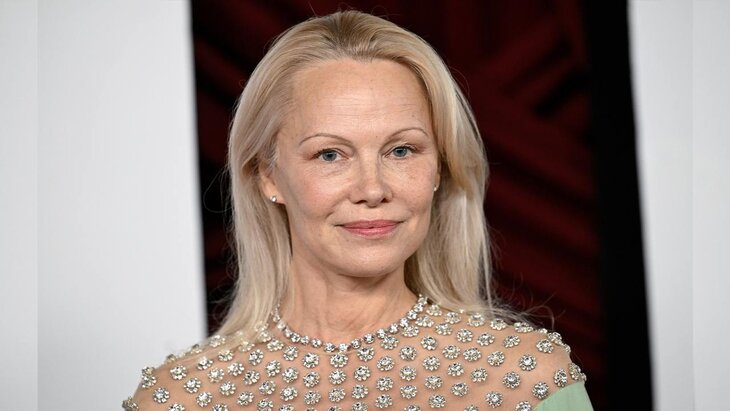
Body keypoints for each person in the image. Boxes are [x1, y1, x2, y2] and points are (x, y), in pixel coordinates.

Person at [123, 10, 593, 411]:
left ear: (439, 168)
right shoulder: (178, 398)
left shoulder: (526, 379)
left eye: (401, 151)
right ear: (267, 175)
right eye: (330, 154)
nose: (372, 189)